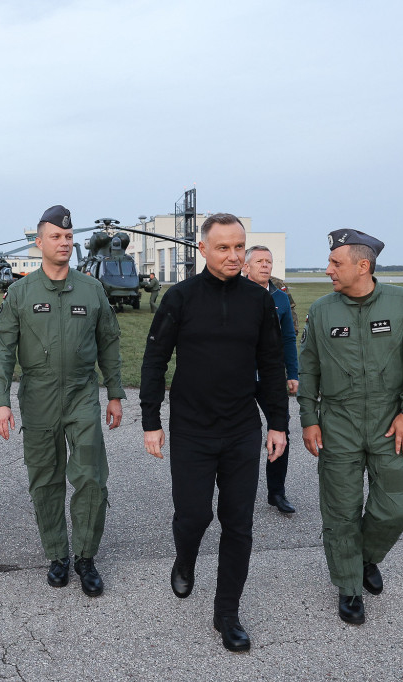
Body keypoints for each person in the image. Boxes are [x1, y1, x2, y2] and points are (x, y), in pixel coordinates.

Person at [141, 213, 287, 653]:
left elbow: (272, 364)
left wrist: (278, 422)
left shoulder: (260, 300)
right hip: (192, 429)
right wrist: (151, 421)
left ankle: (227, 613)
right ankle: (184, 557)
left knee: (238, 525)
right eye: (223, 247)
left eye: (239, 246)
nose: (234, 255)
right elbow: (154, 362)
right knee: (194, 516)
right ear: (202, 249)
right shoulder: (180, 298)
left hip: (242, 428)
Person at [297, 229, 403, 626]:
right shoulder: (323, 310)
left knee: (395, 508)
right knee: (340, 511)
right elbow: (308, 369)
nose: (328, 271)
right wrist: (309, 419)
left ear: (363, 265)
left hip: (388, 422)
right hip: (337, 422)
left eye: (335, 263)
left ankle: (365, 558)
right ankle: (349, 586)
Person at [0, 205, 125, 599]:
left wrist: (114, 393)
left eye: (68, 237)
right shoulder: (20, 293)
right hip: (38, 397)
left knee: (90, 479)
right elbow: (1, 350)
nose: (64, 242)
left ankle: (85, 556)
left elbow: (110, 344)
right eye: (56, 236)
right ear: (39, 242)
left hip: (82, 394)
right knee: (45, 480)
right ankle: (57, 555)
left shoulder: (91, 289)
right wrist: (1, 402)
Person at [242, 245, 299, 514]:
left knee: (281, 429)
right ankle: (236, 490)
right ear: (246, 267)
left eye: (269, 261)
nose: (265, 265)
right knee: (240, 434)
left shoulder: (281, 298)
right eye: (259, 261)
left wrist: (293, 373)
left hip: (270, 377)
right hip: (239, 377)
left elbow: (288, 338)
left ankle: (276, 492)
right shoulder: (234, 294)